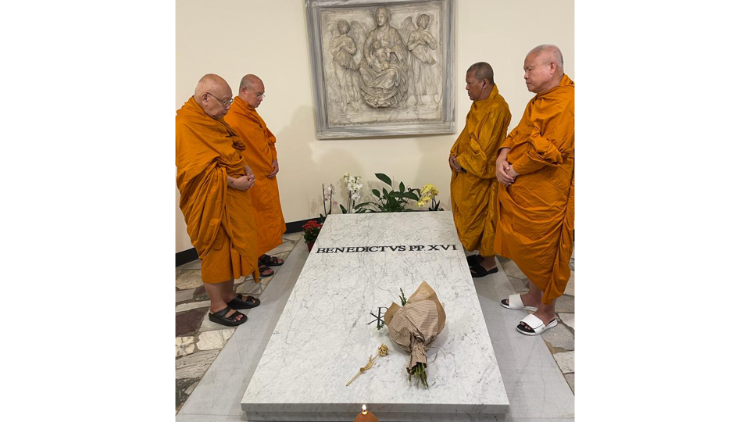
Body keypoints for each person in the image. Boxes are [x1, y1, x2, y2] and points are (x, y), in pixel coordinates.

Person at [494, 45, 574, 336]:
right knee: (526, 248)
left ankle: (547, 311)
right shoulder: (538, 101)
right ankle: (532, 296)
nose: (524, 75)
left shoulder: (568, 103)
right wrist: (503, 155)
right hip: (526, 191)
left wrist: (512, 170)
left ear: (551, 67)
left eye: (530, 69)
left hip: (549, 195)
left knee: (545, 252)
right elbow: (519, 133)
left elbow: (549, 152)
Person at [176, 74, 262, 327]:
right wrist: (231, 182)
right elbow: (195, 170)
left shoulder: (213, 119)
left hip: (230, 196)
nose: (227, 108)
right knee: (214, 250)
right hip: (209, 199)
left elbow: (229, 149)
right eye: (224, 102)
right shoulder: (185, 124)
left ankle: (228, 295)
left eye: (229, 102)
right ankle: (217, 306)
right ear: (205, 97)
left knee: (228, 249)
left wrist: (243, 166)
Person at [449, 62, 512, 278]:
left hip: (483, 175)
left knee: (486, 218)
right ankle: (483, 257)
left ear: (484, 83)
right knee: (471, 215)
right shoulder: (479, 104)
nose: (466, 87)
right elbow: (468, 135)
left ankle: (489, 262)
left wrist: (461, 162)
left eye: (469, 83)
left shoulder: (496, 109)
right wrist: (454, 153)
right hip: (469, 173)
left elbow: (484, 149)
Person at [224, 74, 287, 278]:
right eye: (258, 94)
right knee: (254, 221)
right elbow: (231, 150)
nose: (260, 98)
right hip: (251, 181)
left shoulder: (251, 113)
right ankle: (254, 261)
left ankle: (261, 255)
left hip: (266, 176)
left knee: (266, 219)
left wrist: (274, 158)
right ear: (244, 91)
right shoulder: (232, 117)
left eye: (262, 95)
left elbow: (267, 138)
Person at [359, 6, 409, 108]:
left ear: (387, 17)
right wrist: (368, 58)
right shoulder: (373, 33)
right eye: (377, 16)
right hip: (375, 63)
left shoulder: (393, 32)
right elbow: (366, 46)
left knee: (391, 73)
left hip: (390, 63)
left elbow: (401, 47)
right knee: (362, 68)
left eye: (382, 16)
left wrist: (392, 50)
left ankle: (385, 97)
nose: (379, 19)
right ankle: (374, 95)